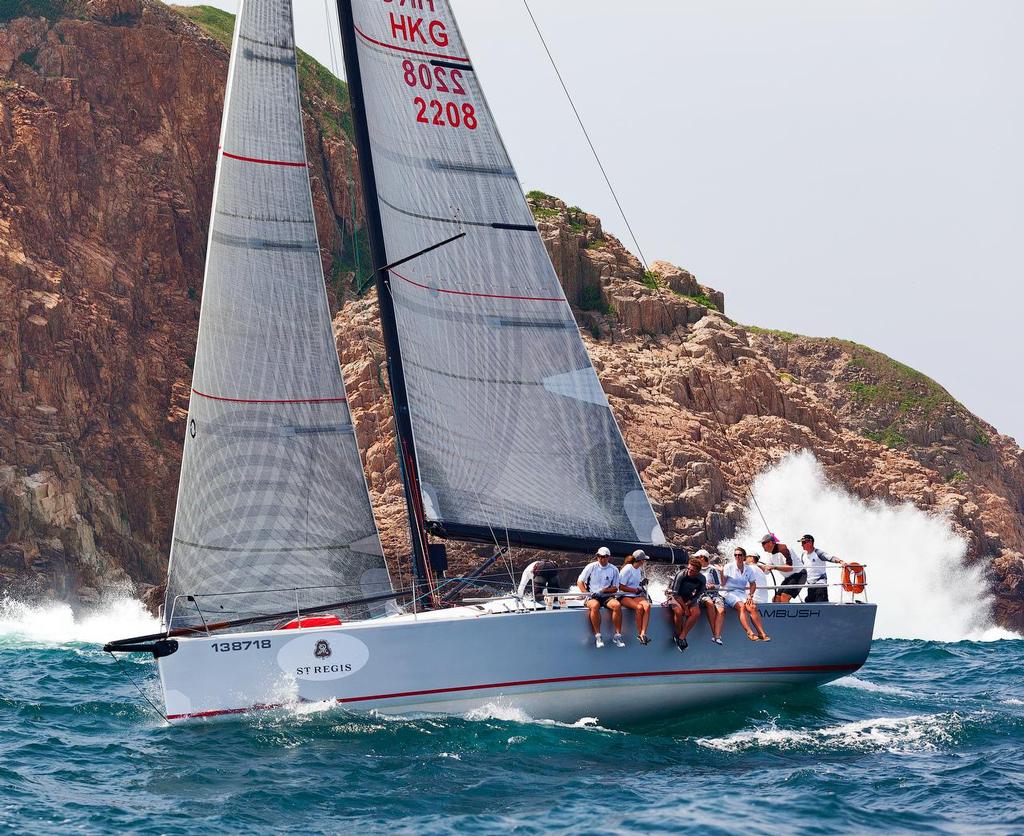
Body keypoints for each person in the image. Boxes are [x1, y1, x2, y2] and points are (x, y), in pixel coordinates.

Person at [577, 547, 624, 648]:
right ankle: (598, 636)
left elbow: (615, 588)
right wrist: (586, 593)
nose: (601, 559)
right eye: (599, 556)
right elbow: (580, 581)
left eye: (604, 557)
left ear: (609, 557)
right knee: (595, 605)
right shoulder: (591, 567)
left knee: (617, 605)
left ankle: (618, 635)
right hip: (591, 596)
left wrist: (603, 591)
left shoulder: (614, 569)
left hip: (606, 596)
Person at [724, 547, 771, 641]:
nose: (737, 556)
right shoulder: (728, 566)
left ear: (744, 556)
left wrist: (750, 595)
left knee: (752, 607)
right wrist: (721, 572)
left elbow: (753, 584)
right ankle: (750, 633)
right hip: (729, 592)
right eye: (735, 555)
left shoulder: (748, 569)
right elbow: (723, 583)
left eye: (740, 555)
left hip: (741, 593)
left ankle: (762, 633)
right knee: (742, 607)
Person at [667, 557, 706, 652]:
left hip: (688, 598)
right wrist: (686, 608)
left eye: (692, 570)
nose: (689, 571)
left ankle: (682, 636)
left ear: (697, 572)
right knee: (679, 611)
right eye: (688, 568)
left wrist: (691, 602)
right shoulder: (681, 575)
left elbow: (699, 593)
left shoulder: (701, 579)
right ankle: (678, 633)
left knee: (696, 613)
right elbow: (675, 594)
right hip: (674, 596)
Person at [798, 534, 847, 603]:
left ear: (810, 542)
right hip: (810, 586)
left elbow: (830, 558)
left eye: (803, 542)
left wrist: (841, 561)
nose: (802, 545)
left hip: (820, 585)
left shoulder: (818, 553)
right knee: (809, 604)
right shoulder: (803, 555)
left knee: (821, 604)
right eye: (801, 543)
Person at [618, 550, 652, 645]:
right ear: (641, 560)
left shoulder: (638, 569)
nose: (644, 562)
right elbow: (620, 586)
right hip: (624, 596)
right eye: (644, 560)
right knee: (639, 607)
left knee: (647, 606)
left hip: (635, 595)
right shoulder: (627, 569)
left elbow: (635, 584)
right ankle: (639, 634)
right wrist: (635, 590)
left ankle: (643, 633)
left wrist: (642, 583)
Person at [760, 534, 805, 603]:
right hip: (788, 578)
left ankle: (789, 613)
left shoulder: (783, 549)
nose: (762, 545)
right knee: (775, 599)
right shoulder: (770, 554)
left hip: (799, 574)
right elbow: (767, 571)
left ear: (770, 543)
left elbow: (790, 568)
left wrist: (774, 567)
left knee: (784, 597)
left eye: (763, 543)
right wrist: (757, 566)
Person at [697, 552, 725, 645]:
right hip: (702, 594)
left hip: (714, 594)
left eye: (698, 557)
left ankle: (716, 635)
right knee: (709, 603)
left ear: (703, 558)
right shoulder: (696, 570)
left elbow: (718, 585)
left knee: (721, 611)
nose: (696, 559)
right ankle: (716, 635)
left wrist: (712, 586)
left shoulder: (712, 570)